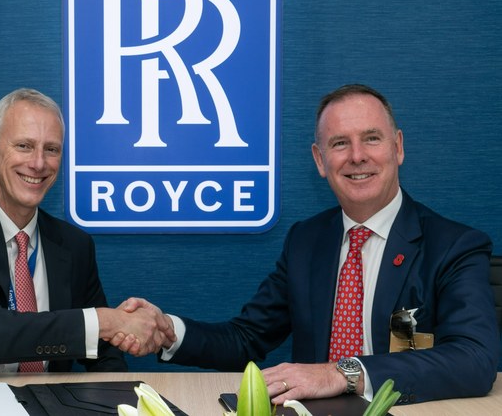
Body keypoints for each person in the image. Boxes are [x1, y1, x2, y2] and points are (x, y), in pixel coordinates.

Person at [116, 84, 499, 405]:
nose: (357, 156)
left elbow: (475, 359)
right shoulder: (306, 240)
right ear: (320, 160)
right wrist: (169, 331)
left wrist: (342, 373)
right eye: (339, 143)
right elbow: (246, 338)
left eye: (371, 138)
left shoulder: (454, 246)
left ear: (397, 147)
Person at [0, 88, 174, 372]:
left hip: (48, 396)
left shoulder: (74, 244)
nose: (38, 163)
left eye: (51, 149)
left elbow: (103, 351)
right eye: (24, 146)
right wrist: (107, 320)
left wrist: (119, 392)